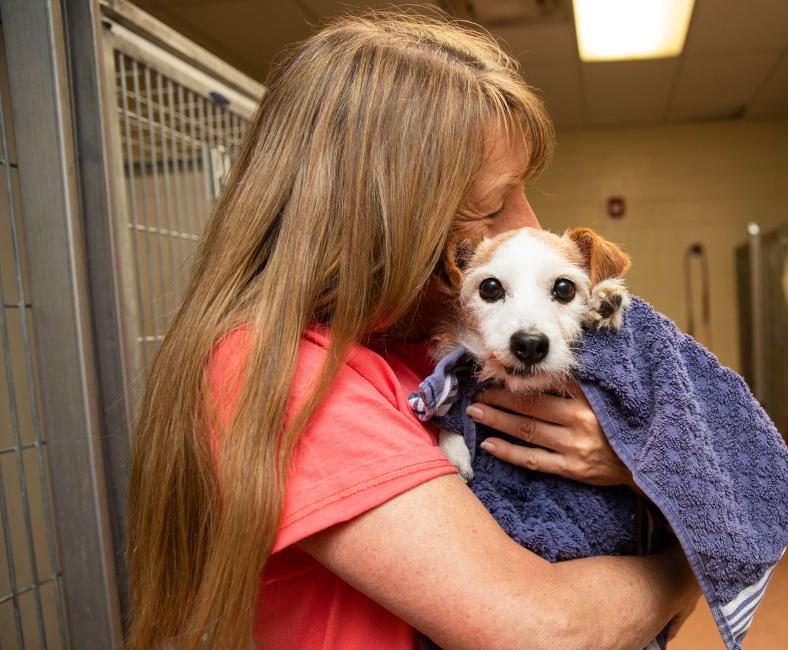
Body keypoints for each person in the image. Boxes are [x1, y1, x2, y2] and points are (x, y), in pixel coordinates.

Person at [126, 11, 698, 650]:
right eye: (492, 205)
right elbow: (545, 632)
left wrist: (628, 464)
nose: (528, 221)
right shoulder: (278, 370)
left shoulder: (426, 344)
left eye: (526, 190)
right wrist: (691, 566)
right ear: (385, 219)